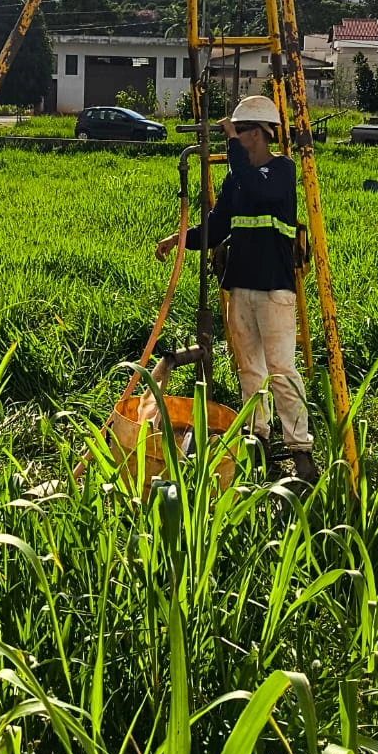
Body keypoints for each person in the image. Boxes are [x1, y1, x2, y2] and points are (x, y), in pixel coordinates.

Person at [155, 95, 318, 484]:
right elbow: (217, 225)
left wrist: (230, 145)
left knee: (281, 370)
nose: (238, 138)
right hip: (239, 287)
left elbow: (259, 193)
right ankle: (257, 436)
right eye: (236, 132)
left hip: (275, 288)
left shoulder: (281, 171)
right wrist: (178, 238)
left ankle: (300, 452)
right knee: (250, 369)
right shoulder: (235, 178)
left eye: (242, 131)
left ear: (260, 133)